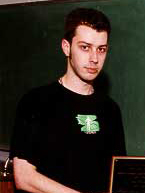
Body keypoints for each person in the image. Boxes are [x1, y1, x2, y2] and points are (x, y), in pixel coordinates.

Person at [9, 8, 126, 193]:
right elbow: (24, 177)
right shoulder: (35, 102)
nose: (94, 58)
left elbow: (118, 177)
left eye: (101, 49)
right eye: (85, 47)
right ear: (66, 47)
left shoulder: (111, 110)